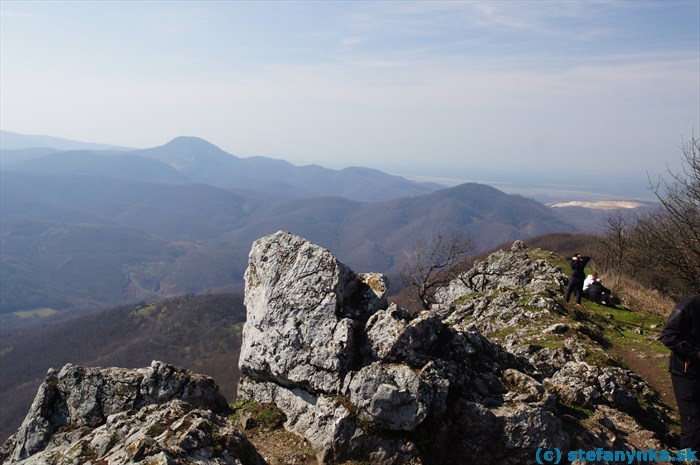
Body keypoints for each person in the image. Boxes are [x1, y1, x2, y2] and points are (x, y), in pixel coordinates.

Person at [659, 294, 700, 456]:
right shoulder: (688, 305)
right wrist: (695, 354)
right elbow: (667, 336)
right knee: (693, 420)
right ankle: (688, 457)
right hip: (685, 372)